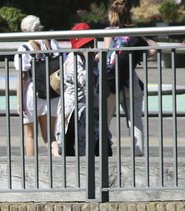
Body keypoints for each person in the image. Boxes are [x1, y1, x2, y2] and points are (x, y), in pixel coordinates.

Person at [105, 2, 153, 156]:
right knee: (135, 119)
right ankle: (138, 152)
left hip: (112, 82)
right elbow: (152, 50)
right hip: (130, 80)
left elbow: (107, 53)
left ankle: (102, 149)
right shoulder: (135, 32)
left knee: (104, 119)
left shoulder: (110, 31)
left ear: (112, 15)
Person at [57, 25, 110, 158]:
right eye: (85, 44)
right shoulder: (72, 60)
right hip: (75, 110)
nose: (89, 47)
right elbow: (84, 80)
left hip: (91, 109)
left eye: (90, 43)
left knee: (102, 147)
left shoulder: (90, 59)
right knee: (72, 148)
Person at [16, 16, 64, 159]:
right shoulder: (52, 43)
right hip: (52, 92)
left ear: (25, 30)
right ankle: (58, 158)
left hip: (32, 93)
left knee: (30, 135)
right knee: (50, 135)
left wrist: (19, 101)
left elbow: (23, 77)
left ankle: (31, 167)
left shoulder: (25, 48)